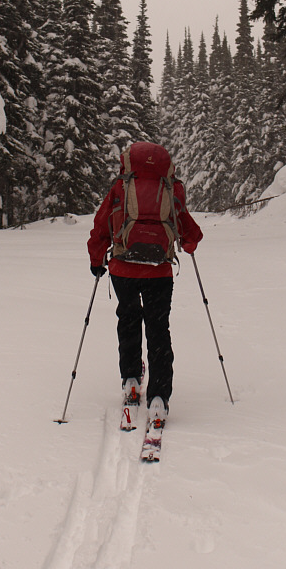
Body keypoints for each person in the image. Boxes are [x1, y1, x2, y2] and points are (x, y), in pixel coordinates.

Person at [87, 141, 203, 422]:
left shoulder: (120, 186)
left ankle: (130, 380)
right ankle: (159, 397)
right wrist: (189, 243)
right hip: (159, 272)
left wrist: (96, 259)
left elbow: (101, 225)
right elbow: (189, 231)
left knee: (128, 320)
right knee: (158, 329)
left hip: (123, 270)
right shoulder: (171, 188)